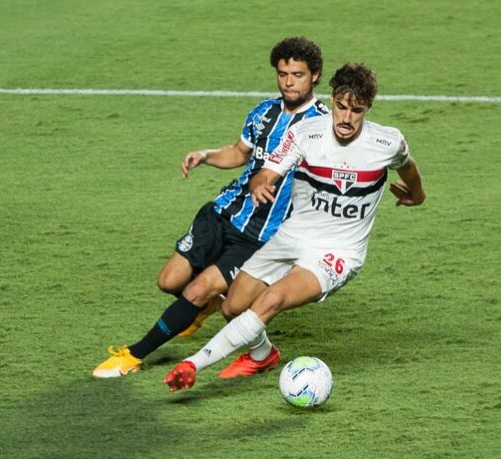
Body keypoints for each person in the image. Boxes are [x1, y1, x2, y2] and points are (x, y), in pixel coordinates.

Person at [163, 62, 426, 391]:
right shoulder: (306, 133)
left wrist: (417, 193)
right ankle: (263, 354)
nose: (346, 118)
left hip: (336, 252)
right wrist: (261, 183)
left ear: (367, 108)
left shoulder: (386, 142)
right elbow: (268, 170)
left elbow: (408, 165)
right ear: (332, 100)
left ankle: (193, 364)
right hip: (293, 236)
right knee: (233, 305)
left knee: (271, 300)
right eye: (341, 107)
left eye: (356, 111)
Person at [93, 37, 329, 378]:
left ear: (315, 76)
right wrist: (205, 155)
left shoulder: (322, 126)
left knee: (198, 288)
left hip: (260, 236)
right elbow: (238, 153)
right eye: (282, 74)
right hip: (223, 212)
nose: (289, 82)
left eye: (297, 74)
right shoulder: (264, 112)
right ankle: (206, 305)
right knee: (169, 280)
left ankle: (132, 355)